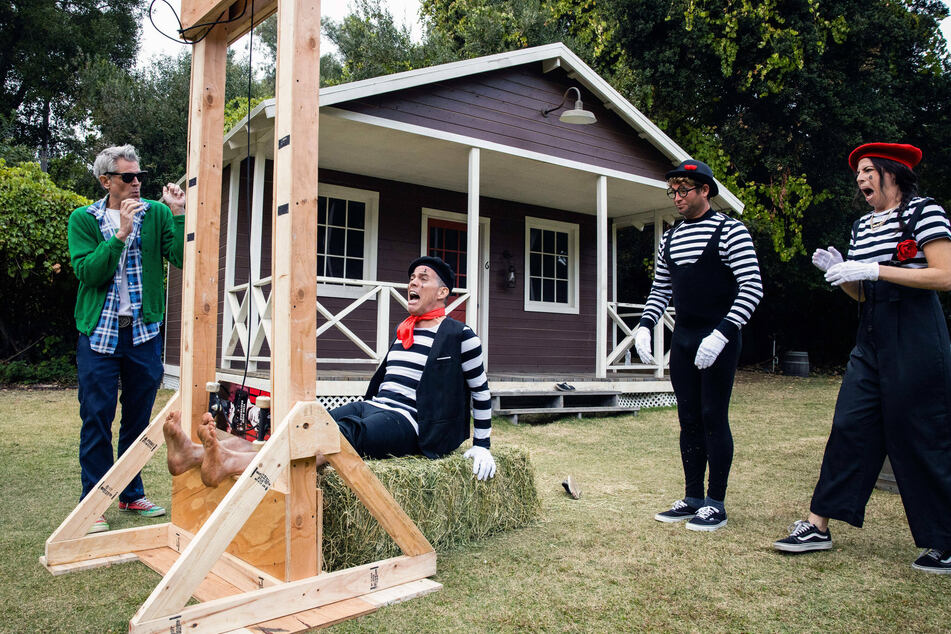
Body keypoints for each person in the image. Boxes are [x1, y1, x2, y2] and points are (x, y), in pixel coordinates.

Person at [773, 142, 951, 574]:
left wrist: (874, 269)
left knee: (919, 436)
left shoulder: (925, 211)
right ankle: (818, 525)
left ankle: (944, 542)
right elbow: (860, 291)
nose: (860, 178)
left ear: (893, 172)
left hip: (916, 335)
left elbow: (944, 276)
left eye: (868, 170)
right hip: (870, 334)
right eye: (858, 173)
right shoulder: (861, 226)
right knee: (849, 426)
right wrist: (841, 273)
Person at [164, 255, 497, 484]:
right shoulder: (405, 329)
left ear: (442, 292)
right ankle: (193, 455)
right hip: (376, 405)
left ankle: (231, 463)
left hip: (412, 423)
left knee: (348, 432)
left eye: (423, 279)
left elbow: (481, 392)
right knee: (305, 424)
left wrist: (482, 444)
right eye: (411, 278)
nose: (413, 282)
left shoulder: (460, 335)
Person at [633, 159, 763, 531]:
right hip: (686, 338)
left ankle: (715, 503)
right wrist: (645, 325)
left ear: (705, 190)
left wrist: (722, 333)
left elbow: (752, 287)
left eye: (683, 190)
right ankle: (692, 498)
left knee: (712, 416)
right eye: (672, 191)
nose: (676, 197)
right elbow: (661, 288)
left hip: (719, 337)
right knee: (687, 418)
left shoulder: (730, 231)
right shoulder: (670, 238)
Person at [68, 145, 185, 534]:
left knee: (137, 421)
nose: (137, 183)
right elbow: (89, 273)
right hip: (98, 336)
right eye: (127, 177)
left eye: (139, 177)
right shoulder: (83, 219)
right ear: (106, 181)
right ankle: (94, 502)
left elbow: (184, 258)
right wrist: (121, 234)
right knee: (97, 418)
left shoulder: (157, 214)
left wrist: (180, 214)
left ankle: (131, 493)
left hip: (142, 334)